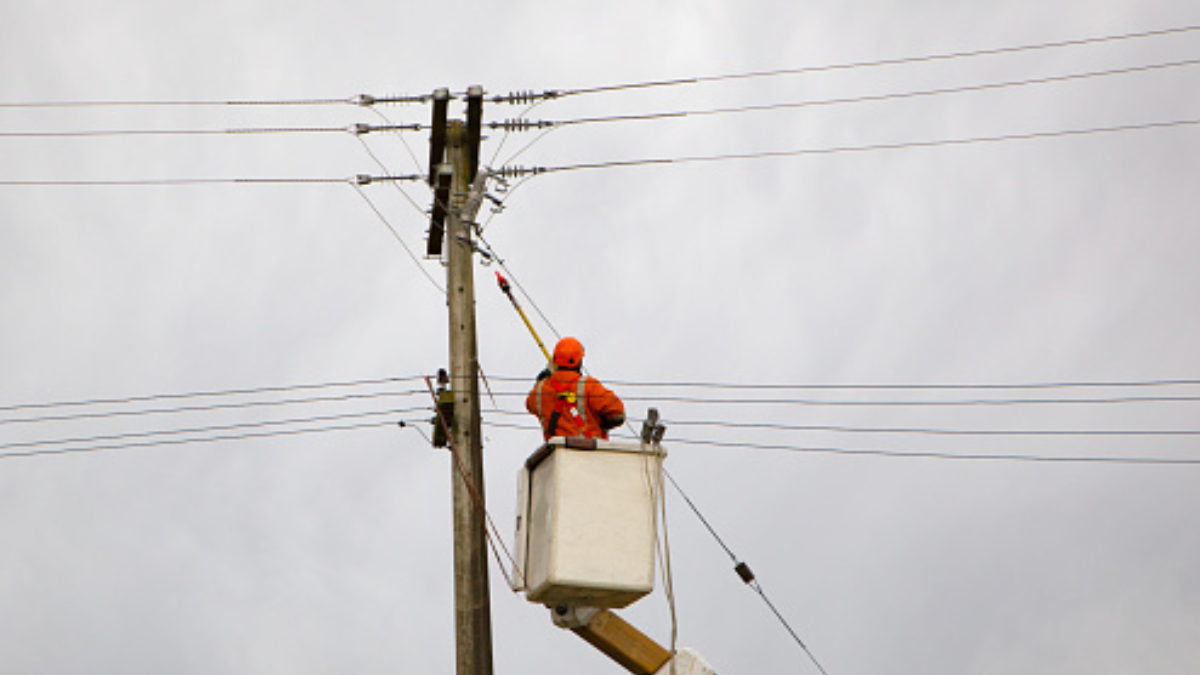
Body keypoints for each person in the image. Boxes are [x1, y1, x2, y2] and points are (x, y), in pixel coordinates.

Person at [527, 337, 625, 440]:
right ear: (578, 361)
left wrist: (542, 380)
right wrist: (601, 422)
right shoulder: (589, 385)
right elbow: (618, 415)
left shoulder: (540, 389)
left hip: (557, 453)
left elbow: (530, 404)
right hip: (589, 452)